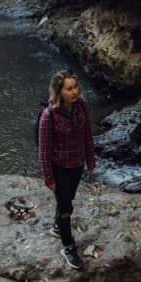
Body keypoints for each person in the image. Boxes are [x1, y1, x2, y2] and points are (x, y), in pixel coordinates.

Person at [38, 70, 95, 270]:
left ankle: (57, 227)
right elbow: (44, 151)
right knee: (65, 208)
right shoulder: (49, 116)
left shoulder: (82, 106)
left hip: (77, 163)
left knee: (68, 200)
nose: (75, 92)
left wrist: (90, 160)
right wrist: (48, 178)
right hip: (59, 167)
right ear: (59, 91)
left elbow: (87, 133)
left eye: (76, 87)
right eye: (69, 89)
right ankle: (68, 247)